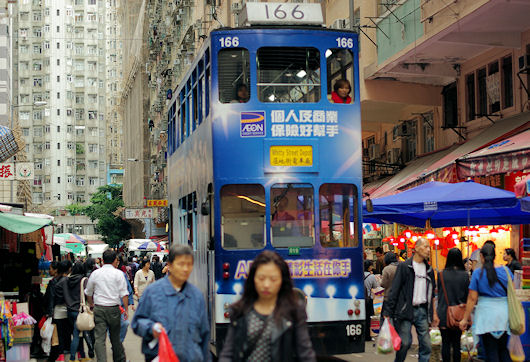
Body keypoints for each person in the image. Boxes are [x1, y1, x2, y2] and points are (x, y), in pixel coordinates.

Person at [219, 250, 316, 362]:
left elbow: (305, 354)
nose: (266, 284)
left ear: (282, 281)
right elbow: (228, 353)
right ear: (253, 279)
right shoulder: (240, 310)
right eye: (261, 278)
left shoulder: (294, 311)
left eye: (273, 279)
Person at [132, 244, 210, 362]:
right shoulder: (153, 292)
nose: (185, 269)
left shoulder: (196, 296)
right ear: (170, 266)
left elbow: (204, 335)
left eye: (189, 264)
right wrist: (150, 328)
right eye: (181, 264)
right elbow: (137, 322)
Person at [382, 238, 437, 362]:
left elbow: (431, 293)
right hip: (405, 310)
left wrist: (433, 314)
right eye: (425, 247)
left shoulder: (429, 270)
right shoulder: (404, 266)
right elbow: (394, 289)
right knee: (405, 343)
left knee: (426, 344)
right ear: (416, 248)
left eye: (429, 247)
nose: (428, 250)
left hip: (422, 310)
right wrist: (388, 311)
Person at [459, 243, 512, 362]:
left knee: (490, 351)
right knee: (503, 350)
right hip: (504, 315)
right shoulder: (506, 271)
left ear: (481, 256)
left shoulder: (478, 273)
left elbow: (472, 298)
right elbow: (512, 294)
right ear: (494, 256)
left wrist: (465, 318)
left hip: (486, 316)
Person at [85, 249, 129, 362]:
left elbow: (88, 292)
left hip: (99, 308)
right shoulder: (119, 274)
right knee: (115, 338)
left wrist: (91, 304)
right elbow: (124, 294)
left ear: (102, 260)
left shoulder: (95, 273)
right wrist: (126, 310)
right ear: (115, 260)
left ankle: (102, 360)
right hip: (114, 309)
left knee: (99, 338)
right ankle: (118, 360)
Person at [435, 248, 469, 362]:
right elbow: (466, 295)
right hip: (459, 315)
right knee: (456, 344)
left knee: (445, 343)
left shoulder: (440, 275)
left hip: (444, 313)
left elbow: (439, 294)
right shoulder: (465, 275)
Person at [63, 261, 89, 362]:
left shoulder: (66, 280)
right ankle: (73, 357)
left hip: (69, 310)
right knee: (77, 335)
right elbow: (88, 294)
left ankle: (82, 355)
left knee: (77, 334)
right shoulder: (83, 280)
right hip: (79, 310)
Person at [48, 260, 72, 362]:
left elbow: (52, 298)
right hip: (68, 309)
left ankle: (61, 354)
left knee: (59, 334)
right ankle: (67, 349)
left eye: (50, 268)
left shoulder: (54, 282)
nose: (49, 270)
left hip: (58, 311)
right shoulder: (68, 280)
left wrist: (50, 312)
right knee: (67, 331)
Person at [364, 260, 379, 341]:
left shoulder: (359, 274)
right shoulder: (371, 276)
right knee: (368, 318)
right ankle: (367, 336)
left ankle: (362, 335)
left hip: (361, 299)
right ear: (369, 267)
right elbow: (375, 286)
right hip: (368, 299)